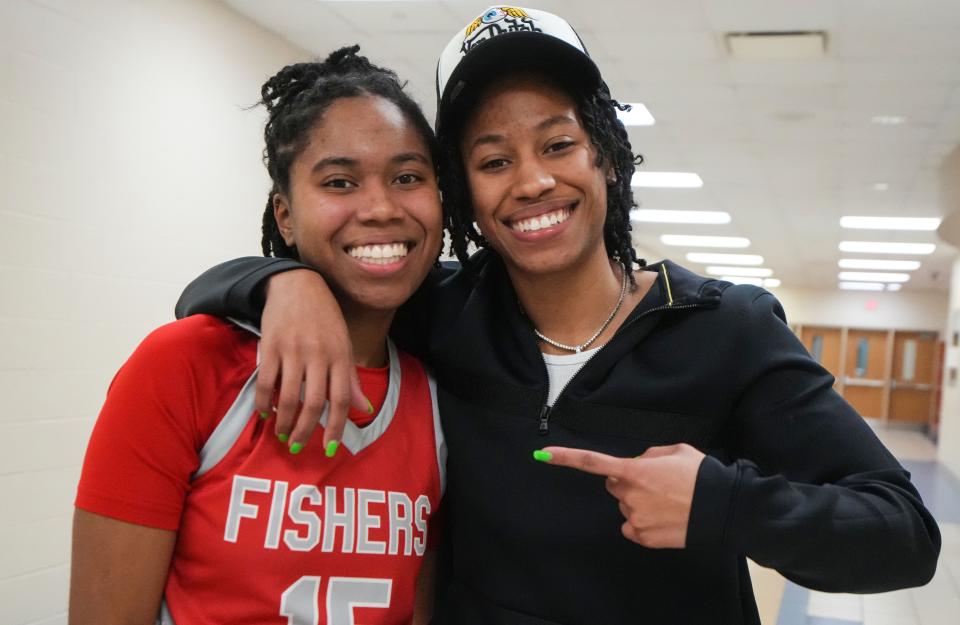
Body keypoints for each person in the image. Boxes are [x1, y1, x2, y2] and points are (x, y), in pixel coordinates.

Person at [174, 7, 941, 625]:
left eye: (559, 143)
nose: (533, 181)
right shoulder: (440, 313)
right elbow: (202, 297)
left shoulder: (724, 328)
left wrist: (725, 503)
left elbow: (903, 533)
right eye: (493, 159)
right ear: (465, 195)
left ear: (605, 155)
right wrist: (283, 282)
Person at [70, 46, 446, 625]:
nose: (380, 206)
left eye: (407, 177)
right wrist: (284, 281)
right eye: (340, 181)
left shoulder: (436, 393)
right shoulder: (185, 365)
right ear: (285, 216)